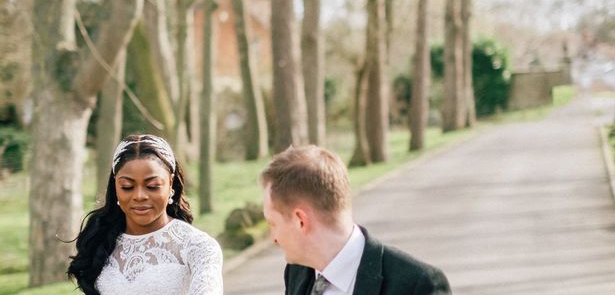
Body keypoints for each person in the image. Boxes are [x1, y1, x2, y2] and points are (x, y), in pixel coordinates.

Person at [260, 145, 451, 295]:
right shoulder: (297, 272)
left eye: (273, 224)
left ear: (300, 220)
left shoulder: (417, 285)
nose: (273, 238)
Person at [68, 134, 223, 295]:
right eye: (127, 186)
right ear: (115, 186)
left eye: (152, 186)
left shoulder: (199, 247)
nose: (139, 196)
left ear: (170, 183)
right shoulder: (101, 244)